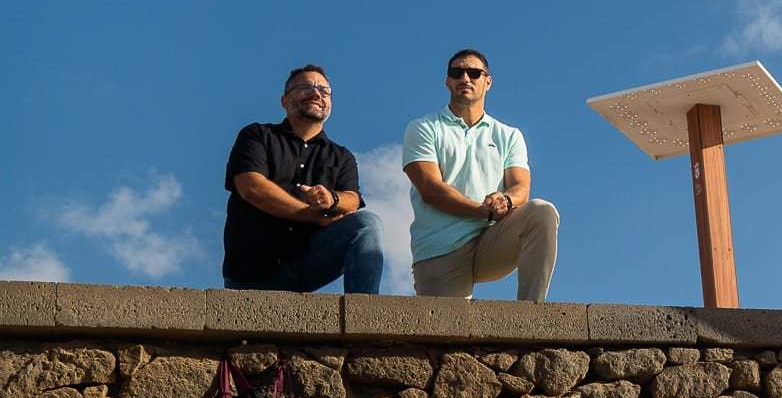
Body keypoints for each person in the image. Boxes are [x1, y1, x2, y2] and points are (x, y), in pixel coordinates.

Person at [403, 48, 559, 301]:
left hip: (492, 240)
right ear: (447, 81)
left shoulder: (509, 135)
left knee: (542, 211)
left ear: (488, 82)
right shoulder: (423, 127)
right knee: (447, 338)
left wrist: (505, 201)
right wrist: (483, 210)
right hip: (440, 249)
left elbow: (520, 187)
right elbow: (431, 189)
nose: (465, 78)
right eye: (457, 73)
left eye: (474, 73)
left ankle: (533, 318)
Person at [223, 65, 384, 293]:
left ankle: (364, 317)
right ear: (284, 100)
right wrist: (311, 215)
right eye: (306, 87)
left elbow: (353, 200)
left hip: (305, 266)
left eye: (324, 91)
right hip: (249, 274)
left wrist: (332, 199)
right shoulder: (257, 135)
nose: (316, 94)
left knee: (367, 223)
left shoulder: (342, 156)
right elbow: (251, 186)